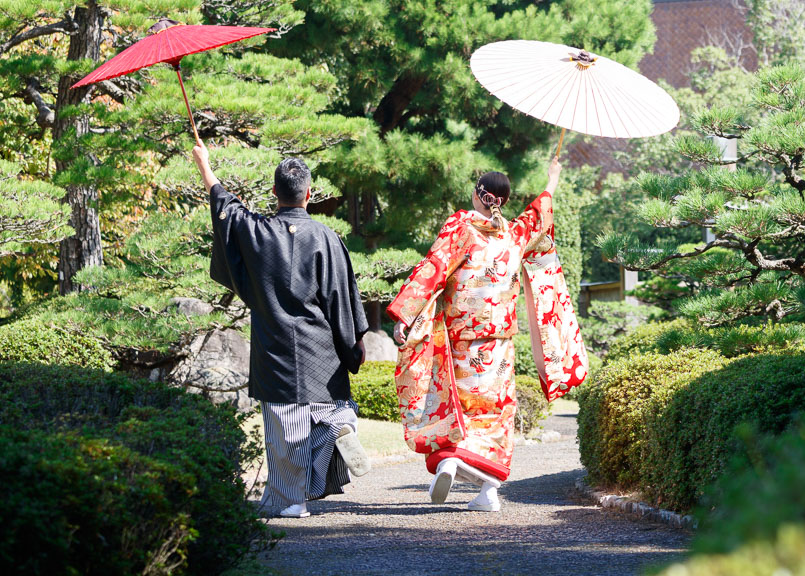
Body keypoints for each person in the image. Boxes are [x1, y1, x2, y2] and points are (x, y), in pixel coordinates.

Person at [388, 155, 586, 512]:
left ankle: (450, 461)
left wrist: (405, 314)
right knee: (495, 416)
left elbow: (432, 268)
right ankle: (488, 492)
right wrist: (552, 178)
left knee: (456, 409)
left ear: (477, 195)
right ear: (503, 201)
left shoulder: (461, 227)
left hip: (461, 342)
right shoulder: (514, 234)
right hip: (499, 347)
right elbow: (538, 215)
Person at [192, 143, 372, 519]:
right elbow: (342, 295)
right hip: (321, 350)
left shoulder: (257, 232)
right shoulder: (327, 238)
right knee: (326, 412)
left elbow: (226, 208)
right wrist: (355, 345)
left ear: (274, 193)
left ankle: (292, 500)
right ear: (309, 193)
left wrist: (204, 165)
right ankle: (338, 427)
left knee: (285, 427)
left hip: (275, 349)